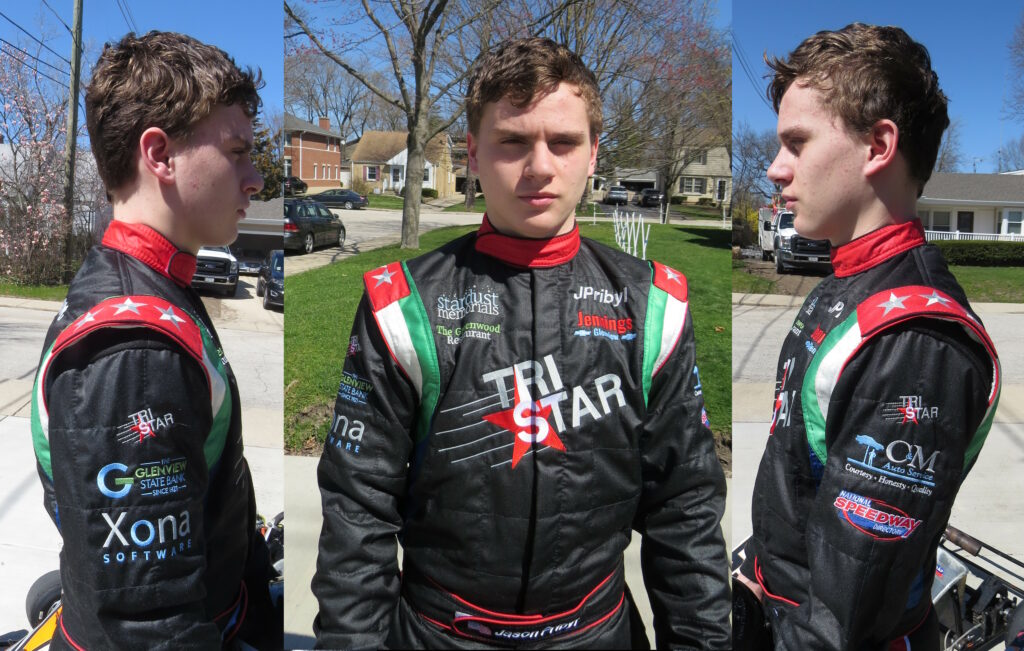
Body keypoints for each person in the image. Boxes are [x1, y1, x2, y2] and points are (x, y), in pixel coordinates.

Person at [312, 37, 730, 650]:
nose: (539, 166)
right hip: (438, 634)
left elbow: (685, 505)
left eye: (563, 142)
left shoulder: (654, 304)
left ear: (593, 154)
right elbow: (356, 509)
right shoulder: (401, 304)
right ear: (474, 153)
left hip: (599, 633)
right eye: (512, 141)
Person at [734, 23, 1001, 650]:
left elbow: (845, 614)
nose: (775, 169)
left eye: (797, 143)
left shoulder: (915, 339)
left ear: (878, 145)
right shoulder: (843, 284)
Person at [29, 31, 280, 649]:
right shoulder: (134, 350)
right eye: (237, 152)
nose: (255, 179)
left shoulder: (154, 282)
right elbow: (146, 628)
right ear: (160, 155)